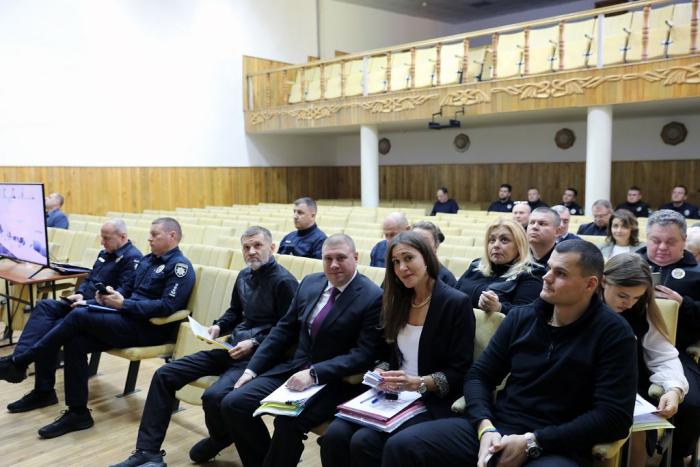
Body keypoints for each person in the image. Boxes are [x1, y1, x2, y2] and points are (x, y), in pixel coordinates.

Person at [382, 240, 638, 467]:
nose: (546, 277)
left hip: (558, 444)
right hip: (499, 427)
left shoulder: (615, 334)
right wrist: (485, 426)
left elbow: (614, 417)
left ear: (590, 284)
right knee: (402, 446)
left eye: (560, 273)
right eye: (549, 268)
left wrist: (533, 441)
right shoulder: (522, 317)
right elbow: (479, 376)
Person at [109, 226, 298, 467]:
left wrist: (254, 343)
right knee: (165, 374)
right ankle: (148, 452)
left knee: (214, 396)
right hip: (231, 349)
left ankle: (221, 437)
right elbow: (235, 312)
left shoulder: (284, 282)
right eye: (246, 247)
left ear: (272, 248)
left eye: (257, 246)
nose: (251, 251)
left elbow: (288, 330)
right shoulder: (244, 275)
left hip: (260, 357)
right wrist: (219, 326)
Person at [0, 217, 196, 439]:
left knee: (78, 316)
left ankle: (21, 361)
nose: (149, 239)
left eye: (154, 234)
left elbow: (168, 306)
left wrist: (124, 304)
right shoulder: (148, 260)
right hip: (127, 319)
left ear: (172, 236)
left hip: (149, 329)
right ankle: (78, 413)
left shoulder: (180, 267)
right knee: (75, 341)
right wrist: (110, 297)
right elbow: (128, 291)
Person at [219, 234, 383, 467]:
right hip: (294, 368)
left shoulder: (372, 296)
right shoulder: (310, 283)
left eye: (341, 258)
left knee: (287, 421)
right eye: (328, 259)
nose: (333, 265)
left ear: (355, 258)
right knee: (233, 403)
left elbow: (363, 354)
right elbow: (283, 329)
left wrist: (315, 373)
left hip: (333, 380)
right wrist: (251, 370)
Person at [320, 231, 475, 467]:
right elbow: (386, 355)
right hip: (392, 394)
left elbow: (460, 371)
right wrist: (381, 372)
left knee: (363, 441)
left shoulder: (455, 302)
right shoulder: (397, 300)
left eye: (408, 258)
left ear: (426, 258)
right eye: (395, 262)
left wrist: (418, 382)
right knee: (334, 435)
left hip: (429, 397)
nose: (402, 268)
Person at [1, 219, 142, 413]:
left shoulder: (132, 259)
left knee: (53, 327)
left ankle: (35, 382)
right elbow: (90, 279)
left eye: (107, 238)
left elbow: (120, 296)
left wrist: (87, 302)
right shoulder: (105, 253)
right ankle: (22, 365)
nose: (102, 242)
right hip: (83, 304)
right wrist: (80, 294)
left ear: (122, 236)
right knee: (44, 307)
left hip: (100, 311)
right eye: (101, 237)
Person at [601, 253, 688, 467]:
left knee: (634, 429)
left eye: (637, 297)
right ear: (603, 282)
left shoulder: (641, 310)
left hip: (626, 391)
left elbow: (662, 355)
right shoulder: (579, 305)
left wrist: (673, 388)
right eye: (623, 295)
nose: (630, 304)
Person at [637, 210, 700, 466]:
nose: (662, 247)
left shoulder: (696, 273)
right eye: (655, 240)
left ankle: (678, 455)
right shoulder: (629, 265)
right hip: (630, 349)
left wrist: (684, 305)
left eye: (670, 242)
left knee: (692, 403)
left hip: (677, 351)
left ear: (684, 241)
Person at [456, 219, 544, 315]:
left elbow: (526, 314)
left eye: (504, 240)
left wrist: (499, 307)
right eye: (492, 240)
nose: (496, 245)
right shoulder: (476, 265)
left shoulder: (532, 274)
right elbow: (454, 293)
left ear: (519, 245)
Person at [411, 221, 457, 287]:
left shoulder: (446, 278)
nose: (418, 245)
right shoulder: (403, 270)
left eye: (424, 241)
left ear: (436, 246)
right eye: (414, 240)